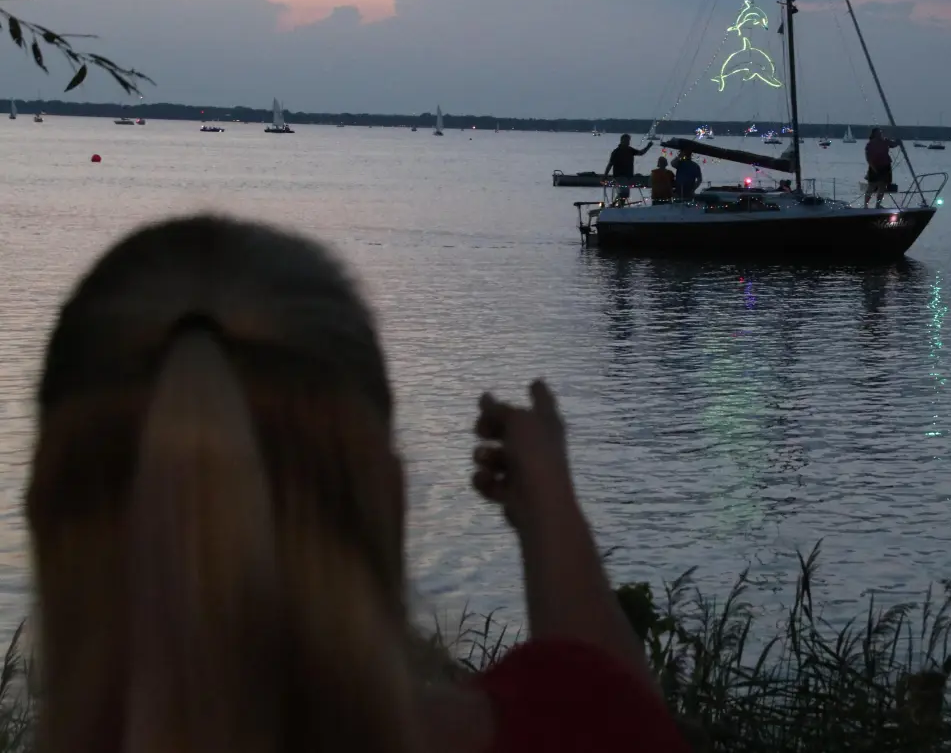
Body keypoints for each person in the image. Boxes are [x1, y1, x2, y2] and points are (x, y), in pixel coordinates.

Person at [26, 214, 690, 753]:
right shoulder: (574, 728)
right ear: (393, 502)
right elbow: (602, 704)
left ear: (43, 515)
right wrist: (551, 511)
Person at [602, 133, 652, 203]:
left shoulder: (630, 150)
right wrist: (605, 175)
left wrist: (648, 147)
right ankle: (615, 206)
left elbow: (641, 153)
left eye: (629, 140)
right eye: (627, 141)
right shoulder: (616, 152)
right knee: (624, 194)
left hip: (627, 176)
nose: (628, 142)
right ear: (622, 141)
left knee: (624, 194)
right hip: (619, 176)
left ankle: (617, 206)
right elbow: (610, 164)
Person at [864, 127, 895, 207]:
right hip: (875, 166)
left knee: (882, 186)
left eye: (880, 133)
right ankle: (866, 205)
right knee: (872, 186)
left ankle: (878, 204)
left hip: (885, 166)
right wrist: (873, 168)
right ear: (874, 134)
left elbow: (893, 144)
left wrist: (898, 142)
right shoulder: (870, 144)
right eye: (878, 133)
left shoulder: (884, 141)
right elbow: (868, 158)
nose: (880, 134)